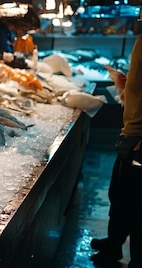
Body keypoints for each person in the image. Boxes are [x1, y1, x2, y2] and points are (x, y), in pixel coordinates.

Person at [90, 21, 142, 268]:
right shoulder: (140, 43)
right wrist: (126, 84)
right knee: (120, 197)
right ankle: (113, 246)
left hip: (138, 142)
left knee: (135, 206)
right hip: (130, 138)